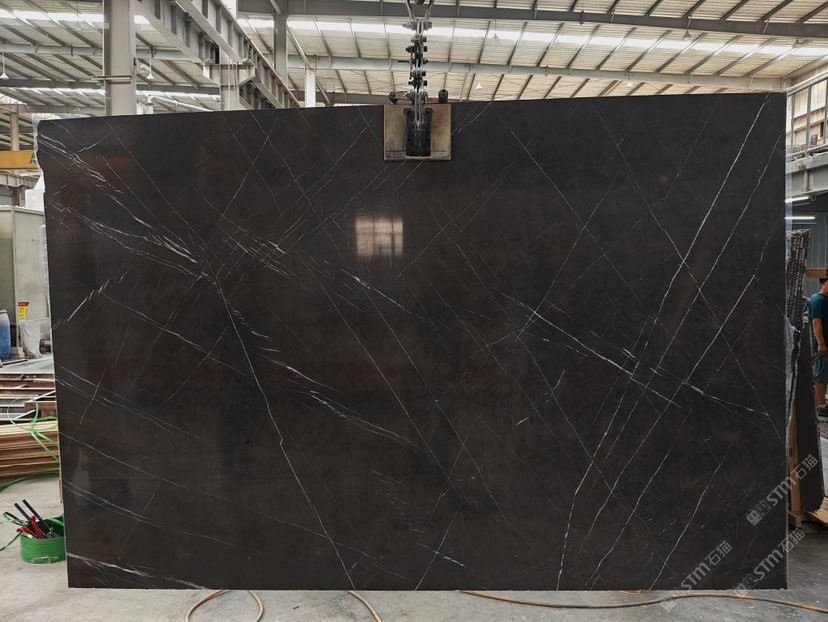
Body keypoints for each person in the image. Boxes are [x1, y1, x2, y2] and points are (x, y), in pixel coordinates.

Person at [809, 277, 828, 422]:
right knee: (821, 375)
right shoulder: (818, 300)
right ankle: (821, 406)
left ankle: (823, 403)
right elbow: (816, 323)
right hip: (822, 346)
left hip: (825, 345)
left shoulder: (824, 300)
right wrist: (821, 343)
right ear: (824, 284)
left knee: (824, 374)